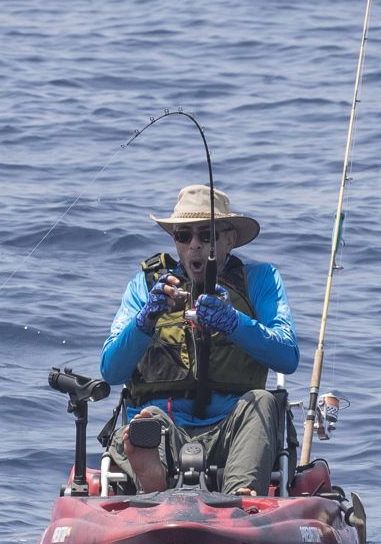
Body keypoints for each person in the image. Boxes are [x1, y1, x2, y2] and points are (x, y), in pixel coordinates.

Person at [100, 184, 299, 496]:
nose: (195, 245)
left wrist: (234, 322)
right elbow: (111, 371)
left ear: (230, 239)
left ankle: (240, 497)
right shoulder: (147, 285)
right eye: (184, 235)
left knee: (263, 402)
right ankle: (153, 482)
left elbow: (287, 356)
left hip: (234, 433)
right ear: (175, 241)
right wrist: (145, 320)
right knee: (147, 420)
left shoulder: (260, 279)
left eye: (207, 235)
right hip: (166, 428)